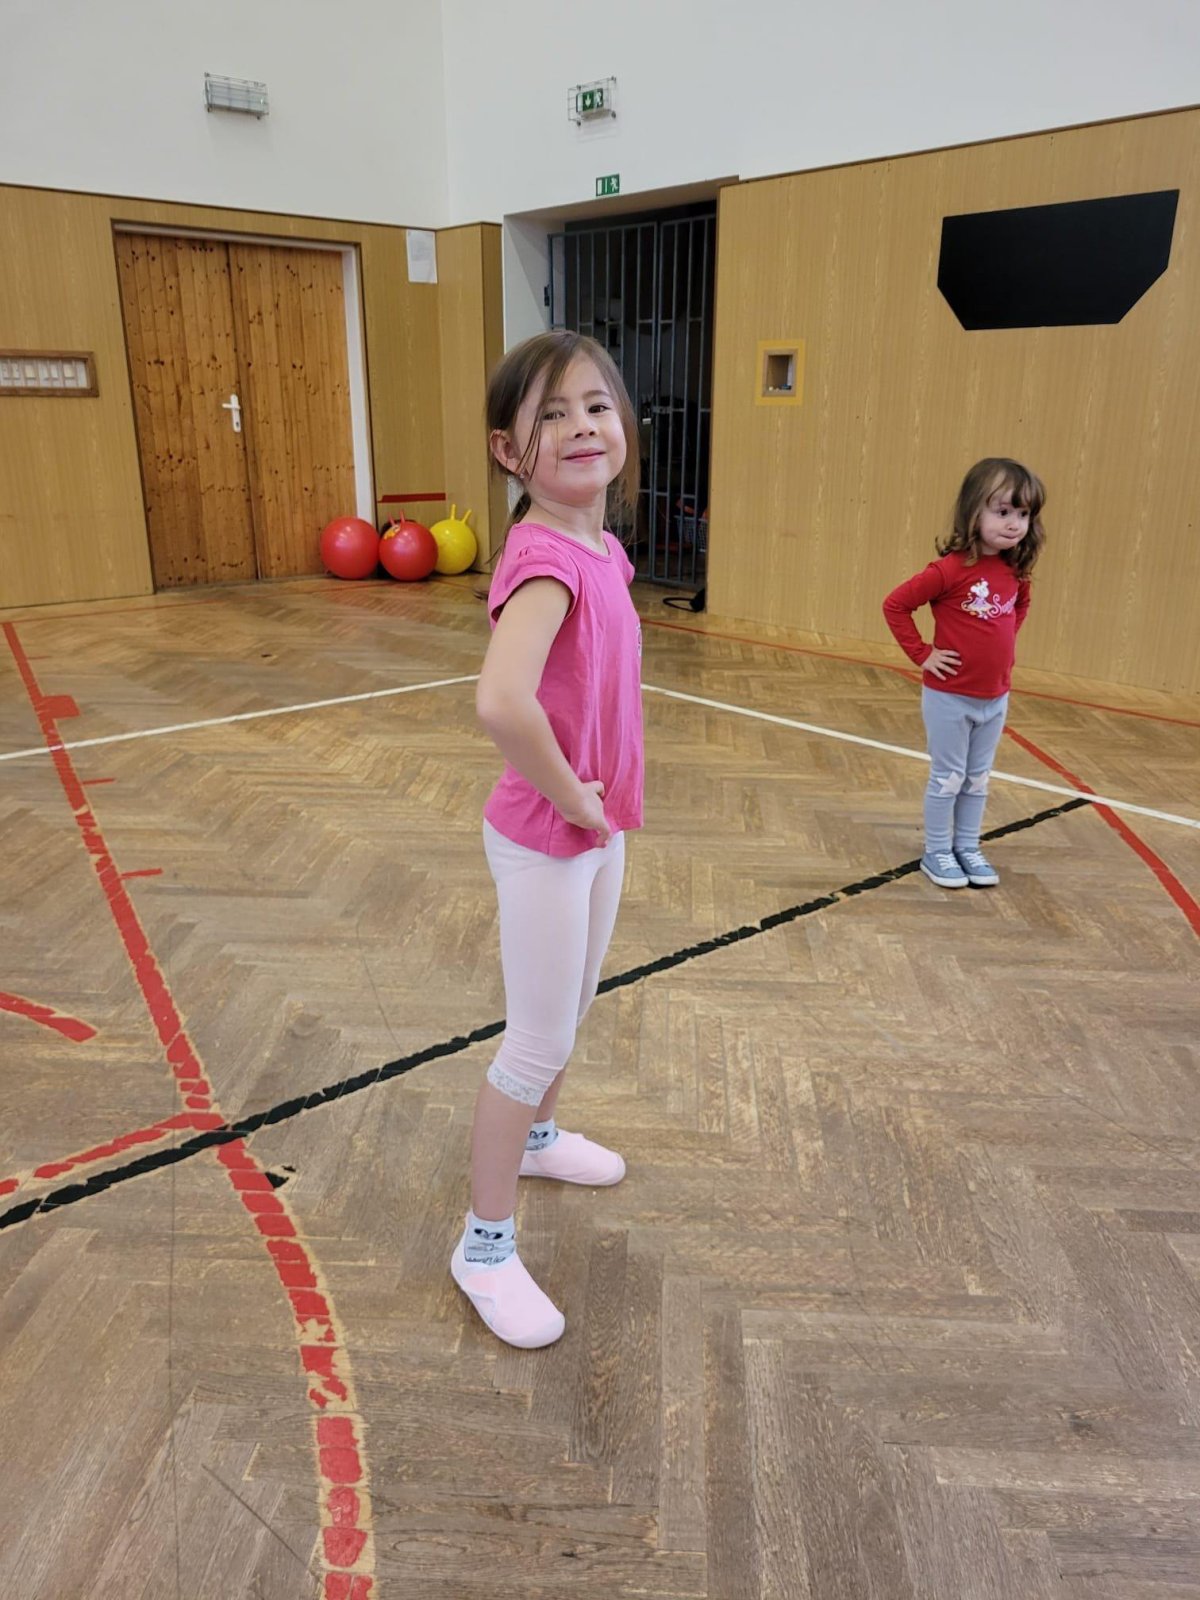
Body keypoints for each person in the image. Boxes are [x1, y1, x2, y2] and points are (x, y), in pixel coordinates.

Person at [451, 331, 643, 1349]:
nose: (581, 426)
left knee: (570, 1011)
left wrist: (597, 808)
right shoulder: (542, 561)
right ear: (508, 449)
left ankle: (538, 1139)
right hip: (547, 834)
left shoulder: (603, 550)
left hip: (596, 826)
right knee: (535, 1040)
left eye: (596, 406)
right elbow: (501, 701)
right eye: (551, 413)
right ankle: (483, 1248)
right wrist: (573, 796)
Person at [882, 457, 1047, 889]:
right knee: (949, 777)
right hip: (950, 697)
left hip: (996, 696)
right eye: (1003, 511)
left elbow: (1020, 605)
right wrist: (922, 654)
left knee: (977, 778)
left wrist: (1001, 645)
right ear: (974, 511)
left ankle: (967, 845)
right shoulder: (949, 570)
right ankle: (937, 850)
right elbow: (895, 605)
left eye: (1023, 514)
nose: (1014, 523)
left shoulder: (1015, 571)